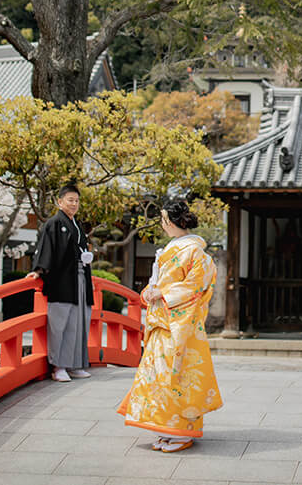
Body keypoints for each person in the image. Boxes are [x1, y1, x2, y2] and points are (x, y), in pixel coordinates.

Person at [117, 198, 222, 453]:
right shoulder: (171, 249)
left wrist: (163, 294)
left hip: (179, 324)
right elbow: (158, 281)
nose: (163, 225)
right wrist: (151, 292)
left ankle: (182, 430)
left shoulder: (195, 251)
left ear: (175, 221)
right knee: (158, 376)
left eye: (164, 220)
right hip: (162, 320)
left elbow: (197, 285)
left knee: (179, 375)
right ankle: (164, 428)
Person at [28, 181, 94, 382]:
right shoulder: (54, 224)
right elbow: (47, 249)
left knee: (79, 322)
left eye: (76, 201)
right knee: (61, 323)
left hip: (80, 279)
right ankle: (59, 366)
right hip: (62, 281)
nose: (74, 204)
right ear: (59, 202)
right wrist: (39, 270)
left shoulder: (77, 225)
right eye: (70, 200)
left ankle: (75, 364)